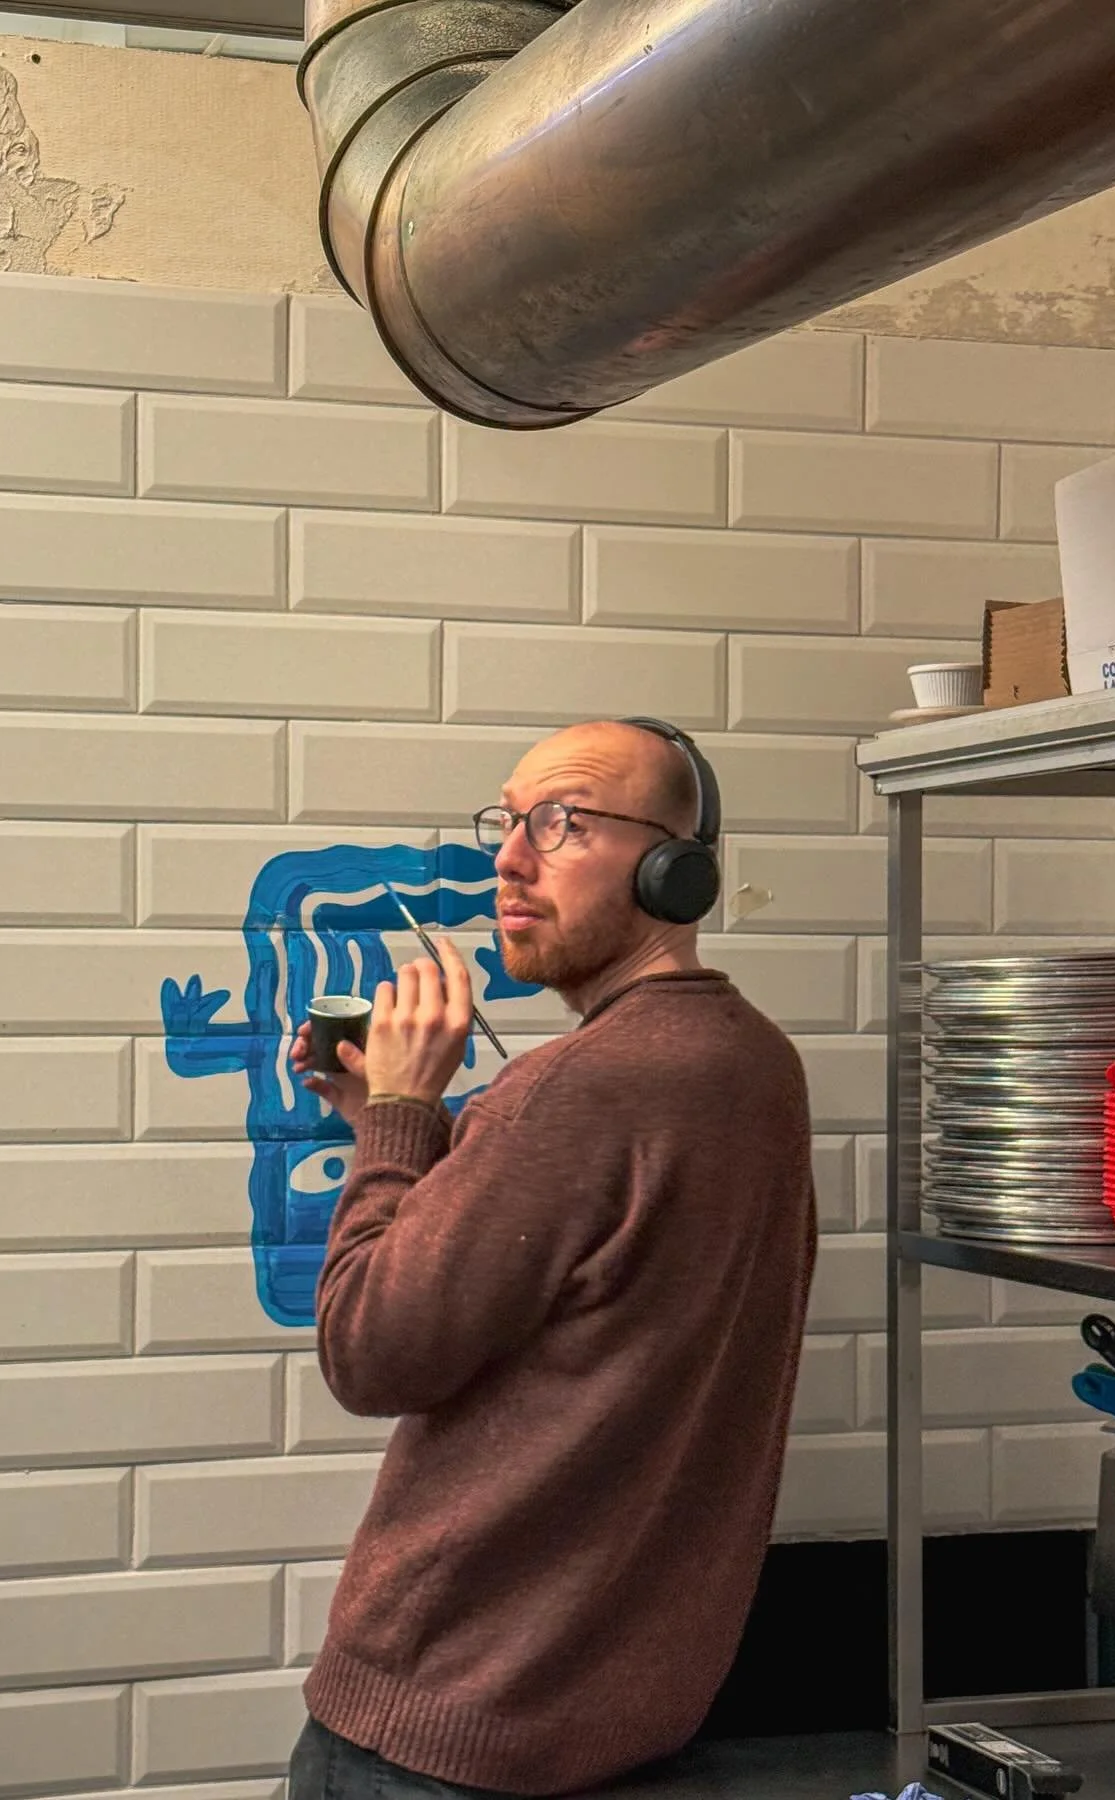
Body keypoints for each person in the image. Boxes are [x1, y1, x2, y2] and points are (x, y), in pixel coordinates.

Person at [286, 717, 817, 1800]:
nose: (510, 860)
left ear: (675, 872)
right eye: (509, 821)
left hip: (440, 1732)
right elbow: (592, 1300)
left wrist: (401, 1116)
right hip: (608, 1725)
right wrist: (398, 1124)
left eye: (562, 822)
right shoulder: (756, 1062)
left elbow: (368, 1352)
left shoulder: (573, 1089)